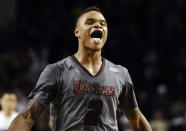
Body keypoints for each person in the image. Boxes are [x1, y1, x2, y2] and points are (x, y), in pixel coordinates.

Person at [8, 6, 152, 131]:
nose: (98, 26)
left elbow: (137, 121)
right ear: (77, 32)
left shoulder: (121, 73)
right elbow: (27, 117)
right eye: (90, 22)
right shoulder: (56, 71)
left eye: (103, 23)